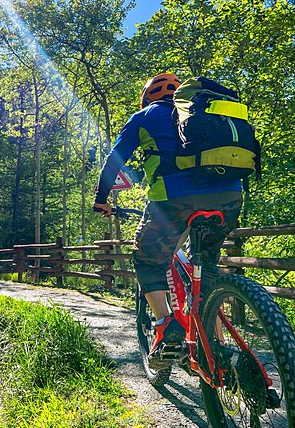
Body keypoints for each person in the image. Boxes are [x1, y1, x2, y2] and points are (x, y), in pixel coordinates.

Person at [93, 72, 243, 368]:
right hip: (230, 198)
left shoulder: (146, 115)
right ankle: (218, 344)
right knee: (207, 271)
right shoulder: (211, 111)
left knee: (148, 259)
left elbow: (115, 159)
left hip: (173, 201)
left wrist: (101, 199)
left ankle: (166, 326)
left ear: (148, 97)